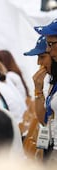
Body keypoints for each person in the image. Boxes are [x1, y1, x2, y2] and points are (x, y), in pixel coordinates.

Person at [35, 22, 57, 161]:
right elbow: (44, 120)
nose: (38, 63)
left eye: (50, 45)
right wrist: (38, 91)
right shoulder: (52, 81)